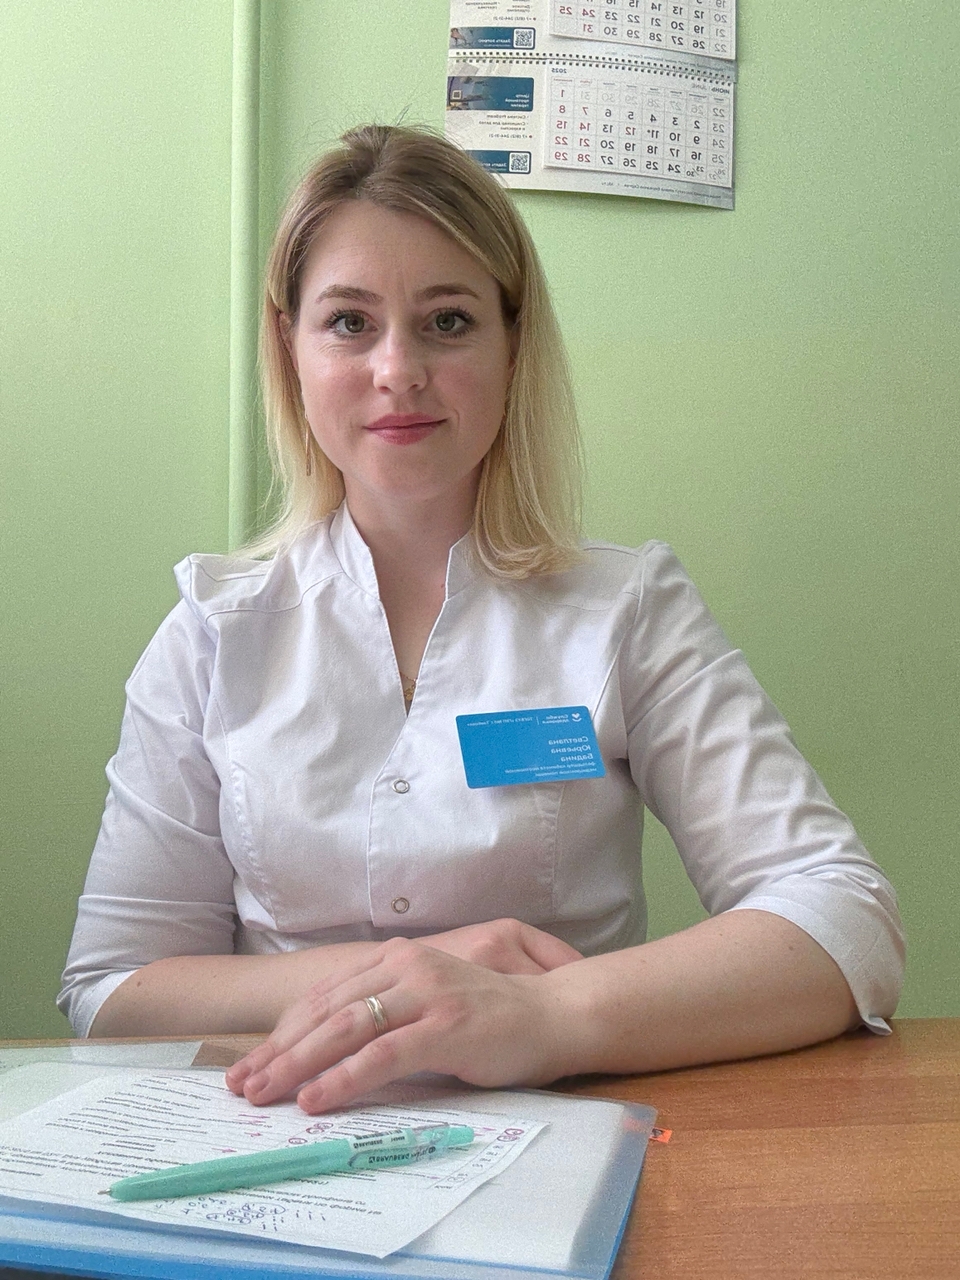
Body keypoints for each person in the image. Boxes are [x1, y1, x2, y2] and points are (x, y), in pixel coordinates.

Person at [59, 124, 904, 1115]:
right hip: (278, 1141)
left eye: (448, 321)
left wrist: (546, 1014)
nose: (398, 369)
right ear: (289, 346)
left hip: (561, 1140)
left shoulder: (628, 610)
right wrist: (407, 979)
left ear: (513, 342)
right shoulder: (212, 633)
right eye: (349, 322)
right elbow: (112, 987)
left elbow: (843, 918)